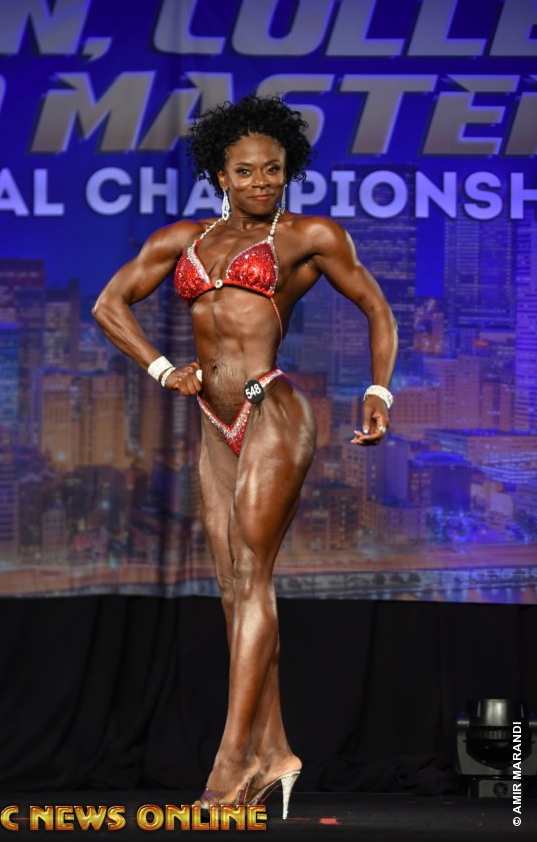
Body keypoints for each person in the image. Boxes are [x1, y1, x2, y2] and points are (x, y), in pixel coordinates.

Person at [92, 94, 398, 818]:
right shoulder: (182, 241)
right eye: (246, 171)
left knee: (253, 576)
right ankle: (276, 750)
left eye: (274, 169)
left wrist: (379, 390)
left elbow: (377, 308)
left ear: (288, 170)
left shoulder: (309, 236)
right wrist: (163, 370)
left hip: (273, 412)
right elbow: (109, 305)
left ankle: (231, 762)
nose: (262, 181)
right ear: (220, 175)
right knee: (235, 590)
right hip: (213, 421)